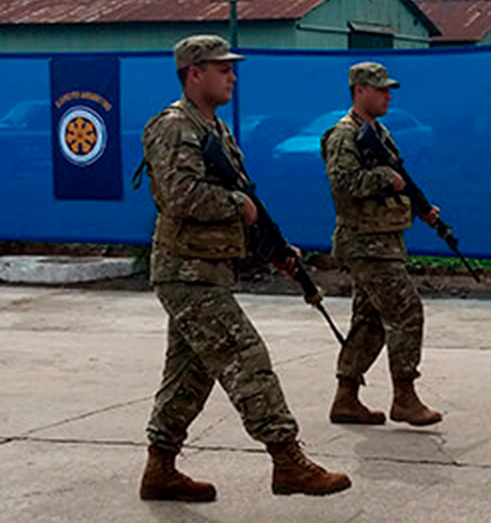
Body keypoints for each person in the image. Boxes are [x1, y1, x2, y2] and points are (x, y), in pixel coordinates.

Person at [138, 34, 351, 502]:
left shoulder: (214, 128)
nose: (232, 76)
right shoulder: (175, 127)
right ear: (195, 73)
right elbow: (181, 197)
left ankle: (160, 469)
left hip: (208, 269)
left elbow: (242, 204)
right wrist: (238, 206)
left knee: (189, 374)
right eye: (222, 69)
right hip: (186, 272)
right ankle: (287, 459)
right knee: (245, 354)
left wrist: (270, 246)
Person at [322, 61, 442, 427]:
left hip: (382, 239)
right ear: (359, 90)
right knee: (406, 311)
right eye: (381, 89)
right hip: (366, 242)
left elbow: (399, 176)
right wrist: (384, 180)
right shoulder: (344, 134)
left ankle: (346, 398)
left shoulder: (377, 130)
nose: (388, 95)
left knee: (369, 320)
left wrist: (419, 207)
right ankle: (404, 396)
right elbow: (342, 184)